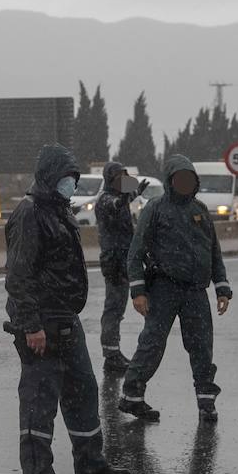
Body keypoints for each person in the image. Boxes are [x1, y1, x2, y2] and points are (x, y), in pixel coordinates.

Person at [5, 143, 131, 474]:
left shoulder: (61, 211)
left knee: (83, 389)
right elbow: (18, 276)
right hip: (41, 323)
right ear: (49, 177)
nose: (70, 184)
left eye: (72, 178)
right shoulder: (30, 214)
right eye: (65, 178)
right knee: (40, 399)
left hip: (66, 319)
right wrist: (31, 325)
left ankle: (91, 463)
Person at [119, 154, 232, 424]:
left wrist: (222, 287)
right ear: (171, 181)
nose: (184, 183)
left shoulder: (200, 210)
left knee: (202, 347)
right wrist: (138, 292)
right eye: (179, 178)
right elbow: (135, 253)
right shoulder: (155, 209)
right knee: (152, 344)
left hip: (195, 292)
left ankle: (206, 402)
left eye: (189, 179)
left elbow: (213, 251)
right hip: (163, 289)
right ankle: (132, 397)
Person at [95, 161, 148, 375]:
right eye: (119, 177)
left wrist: (135, 192)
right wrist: (129, 195)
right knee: (113, 309)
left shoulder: (120, 197)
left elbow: (123, 199)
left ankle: (113, 353)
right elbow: (114, 204)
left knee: (118, 308)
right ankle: (111, 354)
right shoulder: (106, 200)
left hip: (124, 258)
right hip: (114, 261)